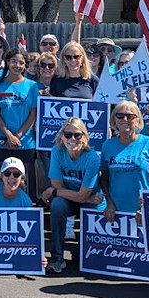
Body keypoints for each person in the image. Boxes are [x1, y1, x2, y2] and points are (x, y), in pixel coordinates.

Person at [40, 117, 104, 274]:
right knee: (57, 206)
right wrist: (64, 193)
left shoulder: (92, 157)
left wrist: (56, 192)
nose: (72, 139)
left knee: (90, 260)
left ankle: (88, 257)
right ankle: (57, 258)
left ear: (85, 137)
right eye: (68, 135)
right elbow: (56, 184)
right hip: (76, 198)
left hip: (93, 200)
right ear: (62, 136)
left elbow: (58, 190)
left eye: (77, 135)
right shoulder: (57, 151)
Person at [100, 101, 149, 223]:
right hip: (116, 212)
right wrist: (109, 203)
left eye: (130, 116)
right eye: (120, 116)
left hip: (142, 212)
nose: (125, 119)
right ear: (114, 120)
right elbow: (104, 179)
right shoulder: (107, 146)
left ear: (138, 120)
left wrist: (148, 203)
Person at [0, 49, 39, 192]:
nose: (17, 65)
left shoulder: (32, 86)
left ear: (25, 66)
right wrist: (8, 136)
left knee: (23, 183)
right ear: (7, 63)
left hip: (25, 143)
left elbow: (33, 113)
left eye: (21, 63)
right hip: (1, 141)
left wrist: (17, 136)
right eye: (14, 62)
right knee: (2, 181)